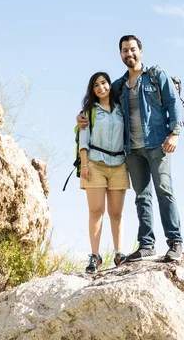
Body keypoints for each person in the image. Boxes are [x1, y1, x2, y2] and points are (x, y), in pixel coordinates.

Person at [77, 35, 184, 262]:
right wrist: (81, 117)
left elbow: (173, 102)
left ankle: (175, 242)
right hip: (132, 151)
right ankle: (146, 244)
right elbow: (100, 102)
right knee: (142, 196)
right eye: (125, 51)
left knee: (164, 190)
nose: (130, 54)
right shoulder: (118, 86)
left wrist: (174, 133)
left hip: (158, 144)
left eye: (133, 49)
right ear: (120, 55)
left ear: (141, 52)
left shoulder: (156, 76)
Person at [79, 72, 130, 273]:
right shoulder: (89, 111)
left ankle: (119, 253)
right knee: (96, 210)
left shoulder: (121, 110)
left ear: (110, 85)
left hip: (119, 164)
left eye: (104, 83)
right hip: (94, 164)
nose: (101, 87)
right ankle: (95, 256)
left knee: (116, 212)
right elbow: (84, 139)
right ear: (92, 90)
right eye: (96, 85)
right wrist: (84, 165)